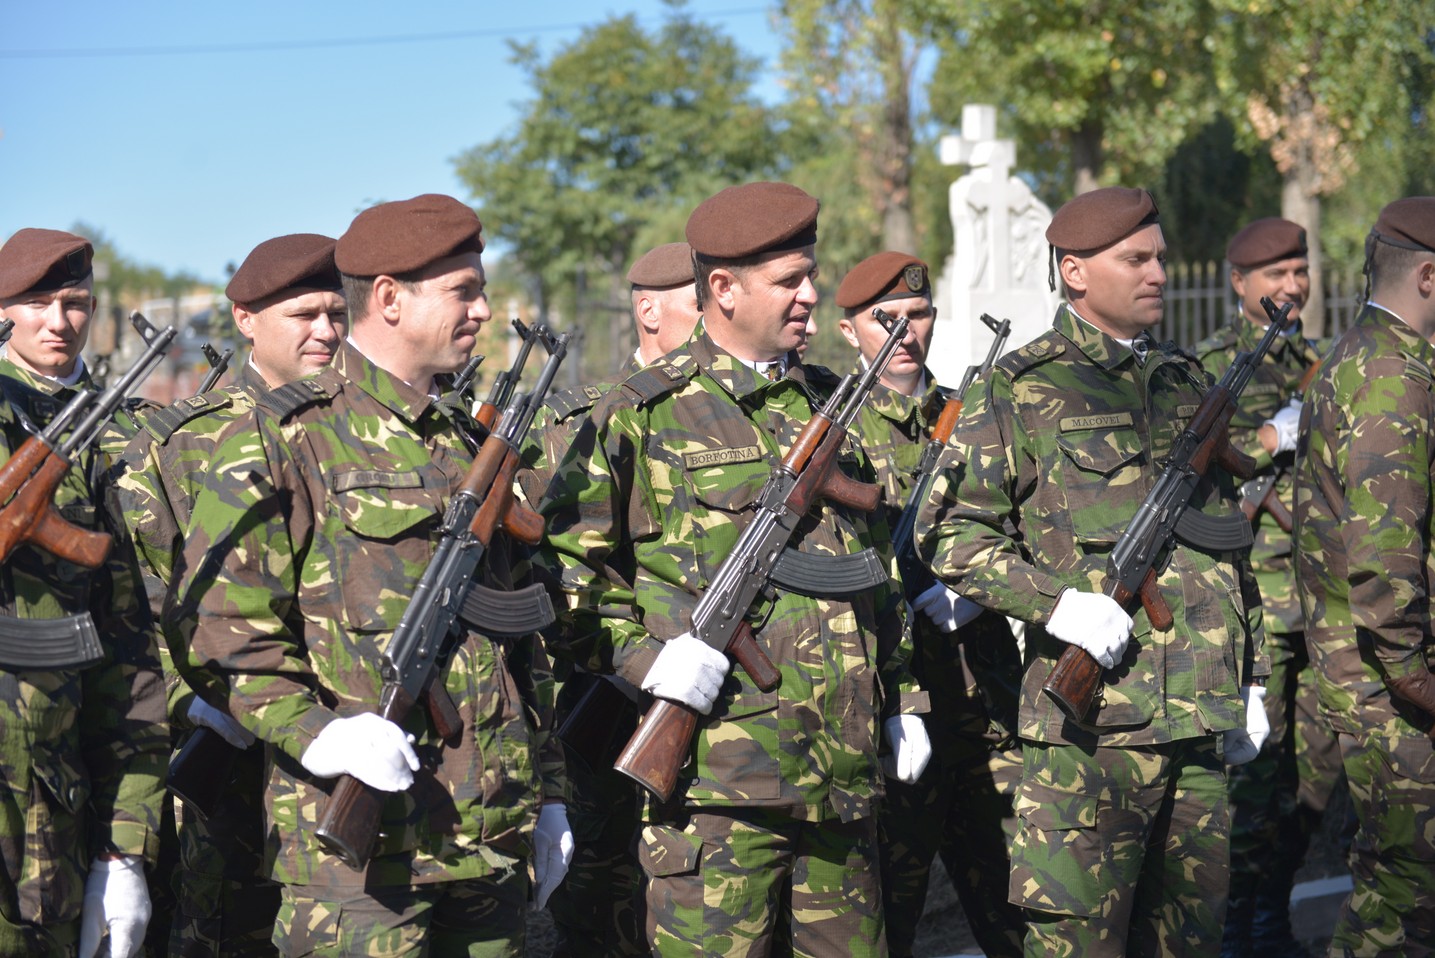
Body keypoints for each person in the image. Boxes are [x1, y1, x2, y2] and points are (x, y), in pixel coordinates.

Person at [169, 194, 571, 956]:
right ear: (389, 298)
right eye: (464, 292)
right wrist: (320, 737)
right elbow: (225, 636)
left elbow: (523, 637)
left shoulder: (469, 444)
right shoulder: (278, 437)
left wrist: (548, 795)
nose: (484, 311)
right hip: (360, 870)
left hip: (487, 837)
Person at [540, 181, 929, 957]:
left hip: (842, 777)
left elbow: (871, 572)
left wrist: (904, 697)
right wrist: (648, 661)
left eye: (810, 274)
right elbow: (565, 586)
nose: (810, 294)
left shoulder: (829, 405)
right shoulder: (638, 413)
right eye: (789, 280)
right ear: (721, 288)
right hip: (718, 787)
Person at [916, 187, 1270, 956]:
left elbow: (1223, 539)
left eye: (1161, 259)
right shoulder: (1018, 388)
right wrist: (1056, 606)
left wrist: (1252, 676)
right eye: (1135, 259)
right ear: (1074, 272)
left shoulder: (1182, 384)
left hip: (1199, 728)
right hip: (1092, 744)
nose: (1158, 274)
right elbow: (945, 531)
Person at [115, 232, 347, 957]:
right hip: (231, 748)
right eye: (303, 314)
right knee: (227, 931)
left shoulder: (361, 430)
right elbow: (140, 601)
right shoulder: (178, 444)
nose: (326, 332)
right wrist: (204, 705)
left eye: (336, 314)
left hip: (343, 741)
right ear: (245, 319)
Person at [833, 251, 1025, 958]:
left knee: (1022, 917)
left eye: (916, 316)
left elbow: (1036, 521)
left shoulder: (978, 417)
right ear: (847, 331)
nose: (903, 332)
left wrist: (986, 582)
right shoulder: (833, 435)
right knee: (884, 924)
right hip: (888, 715)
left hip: (985, 707)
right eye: (883, 320)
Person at [522, 241, 699, 958]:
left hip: (722, 709)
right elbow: (557, 573)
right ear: (649, 310)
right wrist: (639, 660)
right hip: (612, 698)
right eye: (700, 303)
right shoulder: (580, 420)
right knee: (606, 891)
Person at [0, 228, 168, 957]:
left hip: (46, 810)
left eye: (74, 303)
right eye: (35, 302)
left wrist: (124, 846)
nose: (58, 321)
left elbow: (133, 656)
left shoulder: (125, 434)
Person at [1294, 195, 1435, 955]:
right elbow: (1383, 564)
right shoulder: (1392, 375)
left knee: (1396, 893)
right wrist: (1419, 681)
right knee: (1402, 909)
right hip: (1393, 693)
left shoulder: (1354, 355)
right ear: (1427, 276)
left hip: (1367, 680)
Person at [1193, 218, 1336, 956]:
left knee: (1316, 777)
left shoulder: (1321, 363)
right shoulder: (1215, 364)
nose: (1289, 287)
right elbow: (1196, 469)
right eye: (1272, 275)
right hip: (1253, 609)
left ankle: (1271, 910)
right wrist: (1272, 439)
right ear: (1238, 284)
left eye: (1298, 272)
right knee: (1252, 781)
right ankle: (1240, 928)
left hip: (1320, 604)